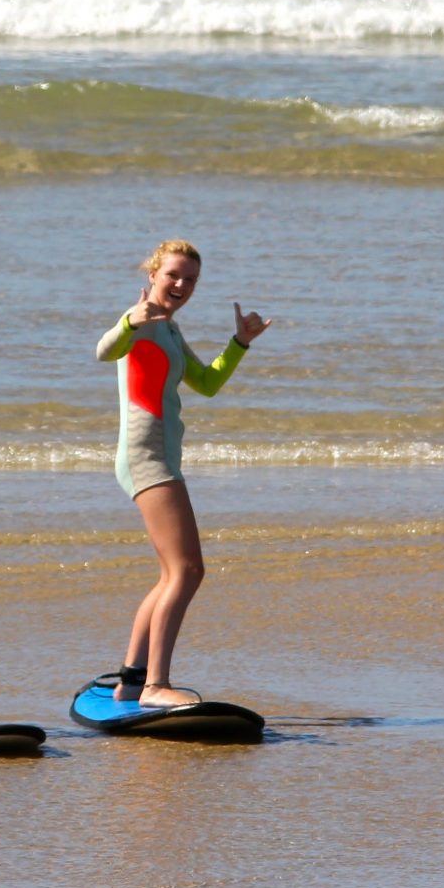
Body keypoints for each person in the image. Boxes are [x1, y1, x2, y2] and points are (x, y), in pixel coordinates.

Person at [96, 239, 270, 707]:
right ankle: (155, 686)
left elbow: (207, 383)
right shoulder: (140, 320)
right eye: (173, 274)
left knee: (173, 573)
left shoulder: (170, 330)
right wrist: (128, 321)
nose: (180, 285)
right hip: (144, 455)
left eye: (190, 279)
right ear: (153, 273)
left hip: (161, 458)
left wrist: (239, 344)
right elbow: (104, 350)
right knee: (189, 570)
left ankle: (132, 679)